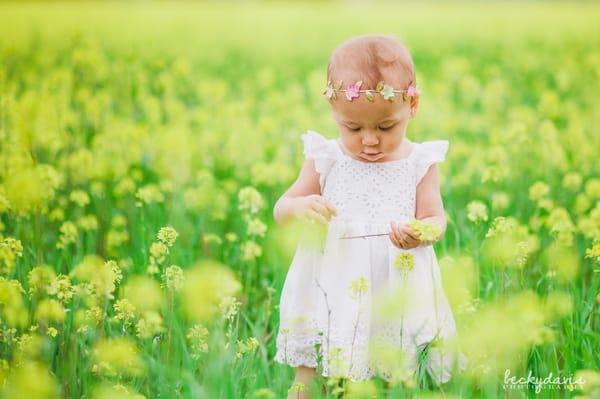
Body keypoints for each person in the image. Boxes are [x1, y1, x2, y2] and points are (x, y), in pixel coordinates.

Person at [273, 34, 466, 399]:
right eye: (353, 128)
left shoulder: (419, 163)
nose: (370, 141)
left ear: (413, 105)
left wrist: (421, 232)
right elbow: (282, 208)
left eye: (385, 127)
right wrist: (301, 207)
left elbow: (436, 219)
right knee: (311, 370)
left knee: (400, 365)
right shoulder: (325, 157)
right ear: (332, 111)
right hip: (330, 282)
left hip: (398, 283)